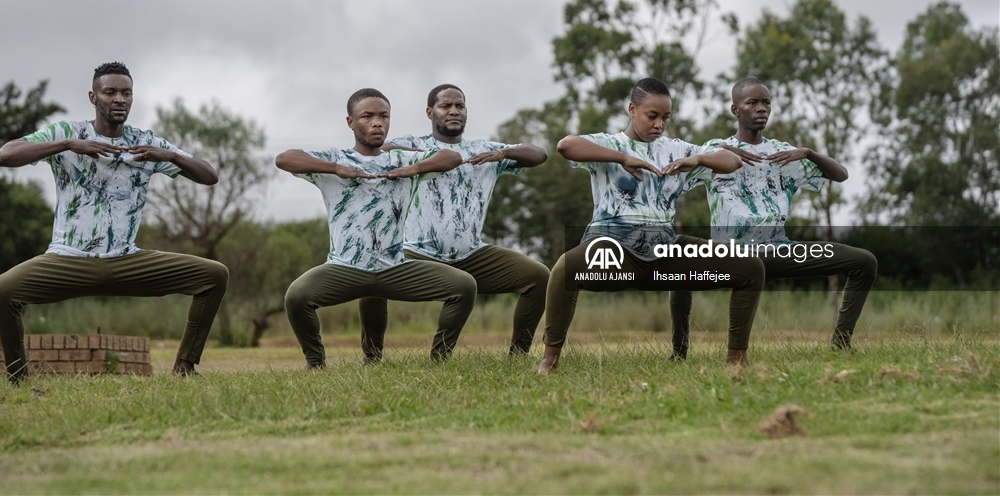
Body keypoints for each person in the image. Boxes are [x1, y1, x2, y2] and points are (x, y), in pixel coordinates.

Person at [0, 62, 229, 381]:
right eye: (110, 92)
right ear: (93, 97)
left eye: (126, 93)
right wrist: (68, 145)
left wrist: (171, 157)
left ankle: (184, 368)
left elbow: (210, 176)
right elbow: (4, 156)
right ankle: (18, 378)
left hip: (126, 260)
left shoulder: (145, 142)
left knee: (214, 276)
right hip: (68, 259)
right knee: (3, 291)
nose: (119, 99)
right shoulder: (67, 134)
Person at [537, 78, 766, 373]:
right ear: (633, 109)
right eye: (652, 116)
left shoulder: (677, 149)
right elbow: (566, 146)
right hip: (615, 250)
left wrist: (696, 159)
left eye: (666, 117)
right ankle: (549, 359)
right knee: (565, 269)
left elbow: (732, 161)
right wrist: (622, 159)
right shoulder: (611, 144)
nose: (660, 124)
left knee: (750, 269)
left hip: (665, 255)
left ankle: (736, 360)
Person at [669, 77, 877, 358]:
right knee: (680, 270)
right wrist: (722, 151)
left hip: (778, 251)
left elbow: (840, 175)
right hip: (728, 254)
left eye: (766, 102)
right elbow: (680, 166)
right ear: (736, 110)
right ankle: (679, 352)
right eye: (752, 103)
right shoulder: (715, 150)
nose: (761, 108)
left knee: (864, 261)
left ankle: (841, 343)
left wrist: (809, 153)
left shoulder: (782, 154)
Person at [277, 88, 477, 368]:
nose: (377, 123)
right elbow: (284, 158)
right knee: (297, 297)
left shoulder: (402, 160)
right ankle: (316, 363)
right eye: (367, 116)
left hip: (394, 268)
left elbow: (451, 157)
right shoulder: (336, 160)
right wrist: (335, 169)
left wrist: (412, 170)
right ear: (351, 122)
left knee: (464, 286)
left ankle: (439, 359)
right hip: (345, 268)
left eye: (384, 116)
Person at [357, 84, 550, 359]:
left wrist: (504, 154)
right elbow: (379, 148)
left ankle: (516, 356)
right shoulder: (415, 146)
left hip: (471, 254)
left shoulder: (484, 150)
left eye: (459, 106)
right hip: (416, 254)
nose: (454, 111)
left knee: (538, 276)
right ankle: (372, 358)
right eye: (445, 106)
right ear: (430, 112)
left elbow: (538, 154)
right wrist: (421, 161)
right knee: (371, 276)